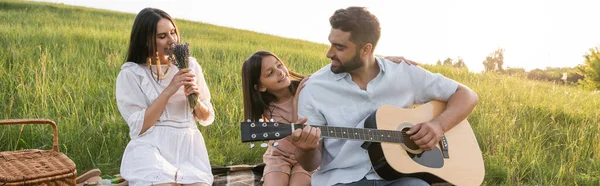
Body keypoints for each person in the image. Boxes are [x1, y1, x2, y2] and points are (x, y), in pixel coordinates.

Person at [290, 7, 479, 186]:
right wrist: (306, 148)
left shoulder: (404, 73)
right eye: (330, 43)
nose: (329, 53)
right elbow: (309, 164)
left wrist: (438, 125)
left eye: (339, 47)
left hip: (402, 177)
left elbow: (467, 95)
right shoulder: (314, 88)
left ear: (366, 49)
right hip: (341, 179)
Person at [241, 51, 417, 186]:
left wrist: (386, 60)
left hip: (307, 157)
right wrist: (295, 102)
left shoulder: (308, 88)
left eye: (279, 65)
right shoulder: (266, 106)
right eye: (270, 73)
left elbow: (346, 67)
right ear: (261, 87)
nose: (280, 72)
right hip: (280, 157)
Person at [115, 7, 215, 186]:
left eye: (173, 32)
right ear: (146, 41)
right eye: (162, 36)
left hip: (189, 150)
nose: (172, 41)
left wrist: (196, 100)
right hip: (151, 148)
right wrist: (170, 89)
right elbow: (140, 127)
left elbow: (207, 118)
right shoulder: (132, 73)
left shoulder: (190, 65)